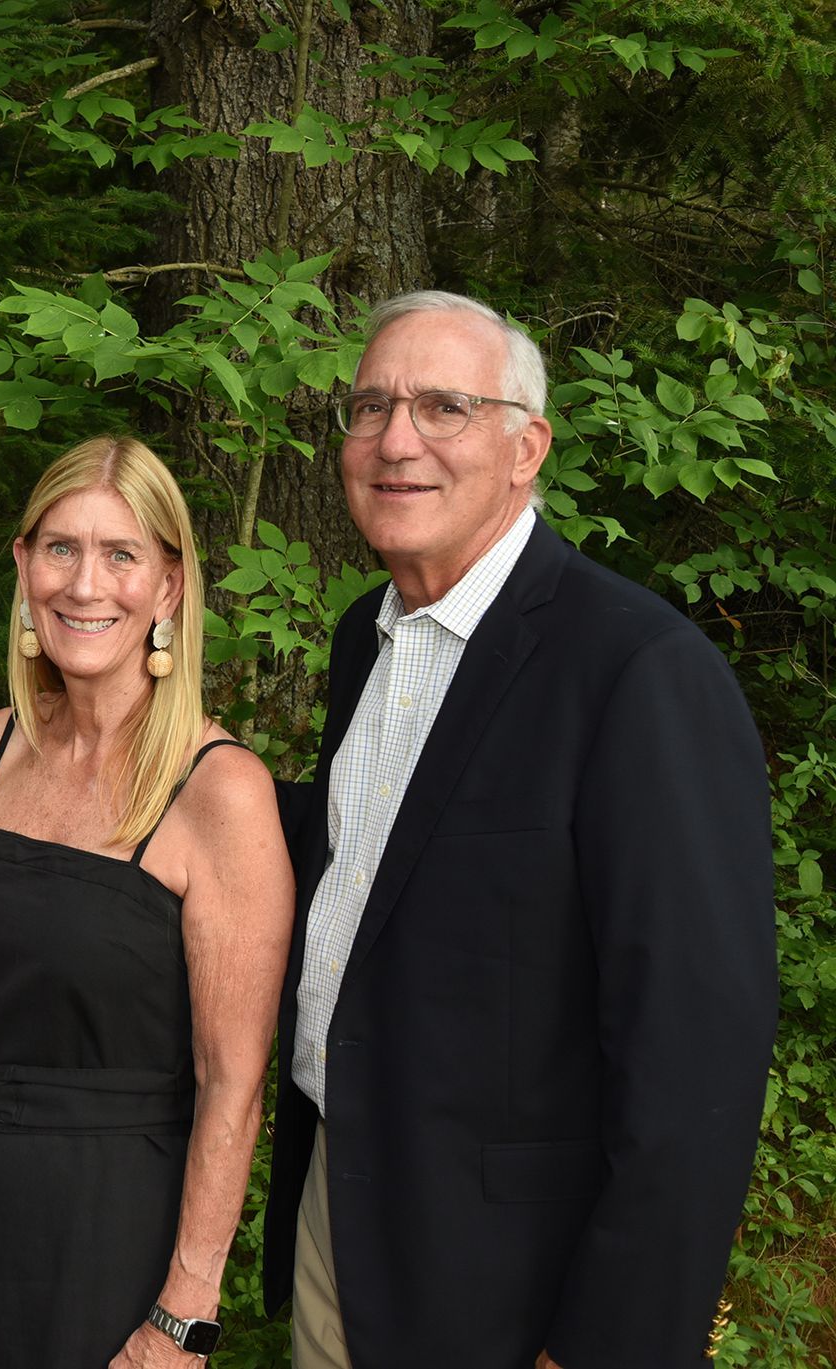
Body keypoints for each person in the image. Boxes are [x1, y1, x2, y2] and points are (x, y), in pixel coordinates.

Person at [263, 291, 778, 1369]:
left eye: (445, 406)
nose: (397, 440)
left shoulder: (636, 672)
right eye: (371, 407)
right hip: (341, 1218)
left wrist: (606, 1344)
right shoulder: (367, 638)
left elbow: (694, 1068)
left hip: (511, 1280)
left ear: (525, 446)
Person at [0, 436, 293, 1367]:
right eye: (60, 548)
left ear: (169, 588)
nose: (84, 584)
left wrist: (183, 1315)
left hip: (106, 1242)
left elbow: (232, 1083)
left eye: (121, 554)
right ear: (22, 565)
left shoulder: (220, 792)